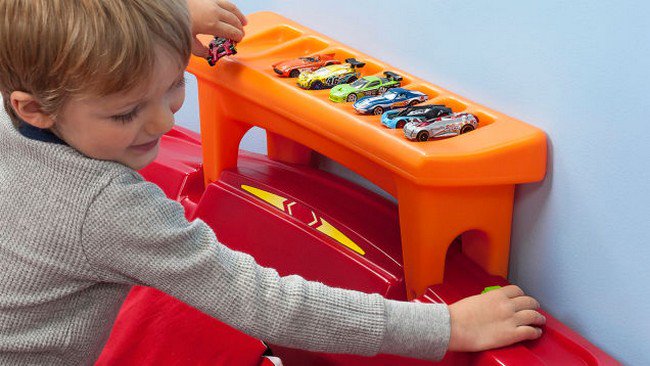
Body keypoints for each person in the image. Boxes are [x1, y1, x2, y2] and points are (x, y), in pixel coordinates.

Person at [0, 0, 545, 364]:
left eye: (172, 86)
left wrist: (160, 24)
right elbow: (267, 304)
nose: (165, 123)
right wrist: (445, 329)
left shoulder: (17, 107)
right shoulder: (110, 209)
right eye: (125, 114)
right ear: (36, 108)